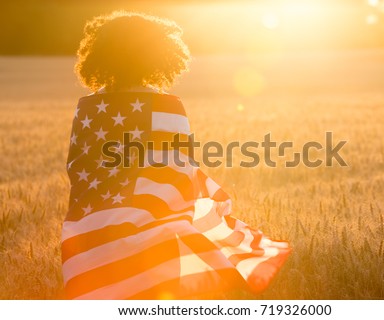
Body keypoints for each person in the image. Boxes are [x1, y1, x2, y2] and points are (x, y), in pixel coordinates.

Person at [61, 11, 290, 299]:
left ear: (101, 54)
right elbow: (180, 170)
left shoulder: (88, 109)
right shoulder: (166, 107)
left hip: (90, 228)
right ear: (158, 55)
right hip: (155, 231)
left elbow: (78, 167)